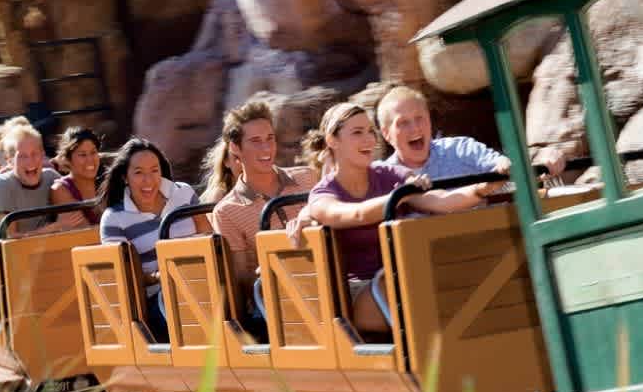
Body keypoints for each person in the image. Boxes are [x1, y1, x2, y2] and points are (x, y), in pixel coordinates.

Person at [287, 103, 501, 334]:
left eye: (370, 131)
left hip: (405, 277)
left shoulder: (388, 174)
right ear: (332, 140)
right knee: (403, 284)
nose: (369, 140)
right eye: (357, 133)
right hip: (359, 291)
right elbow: (356, 214)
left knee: (440, 271)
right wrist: (397, 196)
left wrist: (483, 188)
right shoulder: (322, 194)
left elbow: (439, 202)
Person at [211, 102, 319, 333]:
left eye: (270, 138)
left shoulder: (308, 178)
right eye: (255, 141)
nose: (266, 148)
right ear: (236, 148)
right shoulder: (227, 211)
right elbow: (244, 280)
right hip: (276, 303)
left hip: (324, 281)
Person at [98, 138, 212, 342]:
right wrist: (159, 275)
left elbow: (208, 237)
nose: (148, 180)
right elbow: (123, 277)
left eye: (154, 170)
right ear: (125, 177)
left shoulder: (184, 193)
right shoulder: (114, 218)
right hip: (158, 296)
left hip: (201, 282)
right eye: (139, 172)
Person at [376, 86, 565, 180]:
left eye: (419, 118)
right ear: (386, 134)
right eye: (403, 123)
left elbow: (503, 166)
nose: (415, 128)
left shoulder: (461, 150)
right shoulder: (382, 177)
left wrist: (542, 161)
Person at [0, 122, 62, 236]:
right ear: (9, 160)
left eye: (35, 154)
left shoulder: (52, 177)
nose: (30, 161)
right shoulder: (1, 185)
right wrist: (52, 228)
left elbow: (72, 221)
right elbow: (10, 238)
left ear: (42, 154)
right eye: (22, 156)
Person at [50, 126, 102, 228]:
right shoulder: (60, 189)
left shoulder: (106, 181)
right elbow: (85, 232)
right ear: (68, 159)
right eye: (82, 155)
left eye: (93, 152)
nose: (90, 160)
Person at [199, 139, 242, 203]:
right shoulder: (219, 197)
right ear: (226, 161)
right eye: (237, 157)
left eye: (249, 156)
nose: (244, 163)